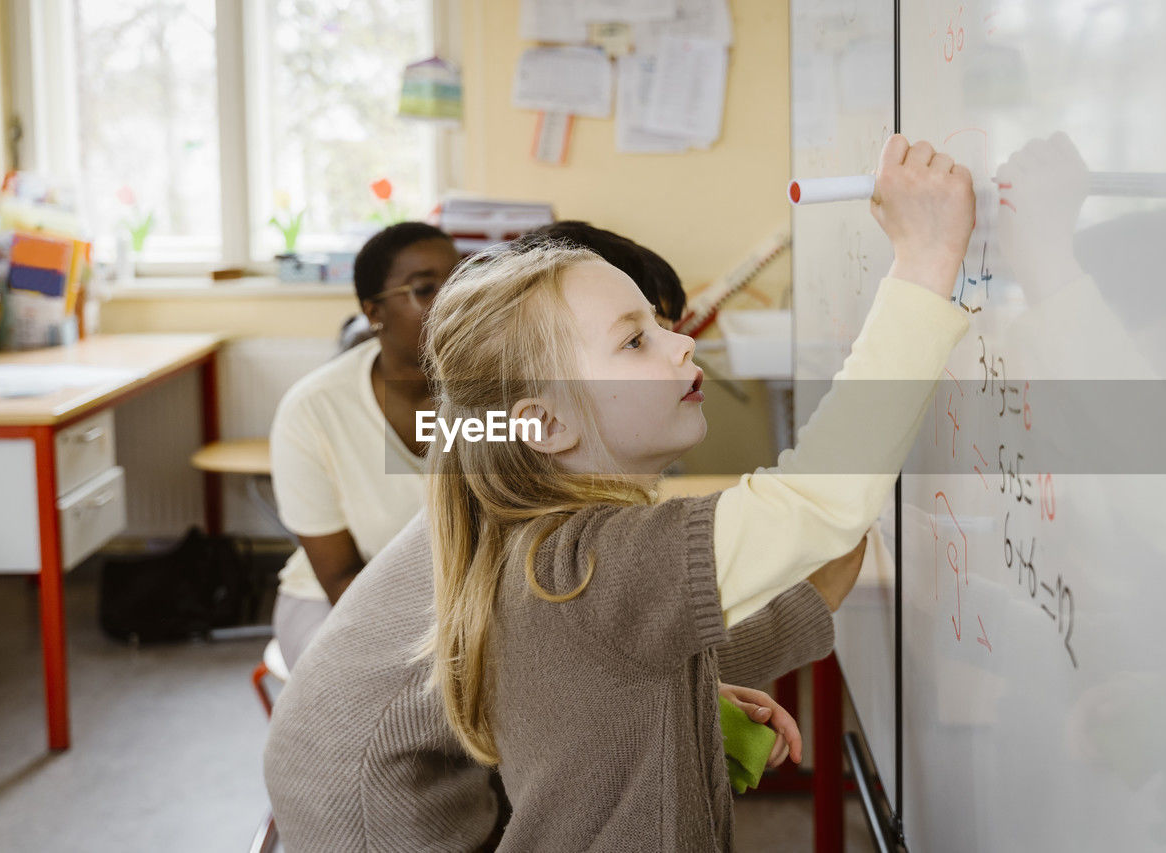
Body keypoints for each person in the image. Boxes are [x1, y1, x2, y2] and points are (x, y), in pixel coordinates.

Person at [422, 134, 975, 849]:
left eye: (660, 327)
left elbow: (589, 694)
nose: (680, 345)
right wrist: (925, 261)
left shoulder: (548, 547)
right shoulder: (595, 563)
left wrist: (685, 704)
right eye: (634, 342)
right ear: (547, 423)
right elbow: (819, 499)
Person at [263, 221, 865, 851]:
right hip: (368, 799)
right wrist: (809, 593)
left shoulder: (517, 459)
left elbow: (596, 654)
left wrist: (700, 694)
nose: (678, 348)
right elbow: (604, 638)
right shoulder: (525, 496)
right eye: (634, 337)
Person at [269, 222, 459, 669]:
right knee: (358, 682)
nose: (453, 302)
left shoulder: (492, 396)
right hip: (334, 599)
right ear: (374, 312)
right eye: (426, 289)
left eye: (461, 281)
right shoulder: (314, 410)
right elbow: (338, 578)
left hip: (466, 599)